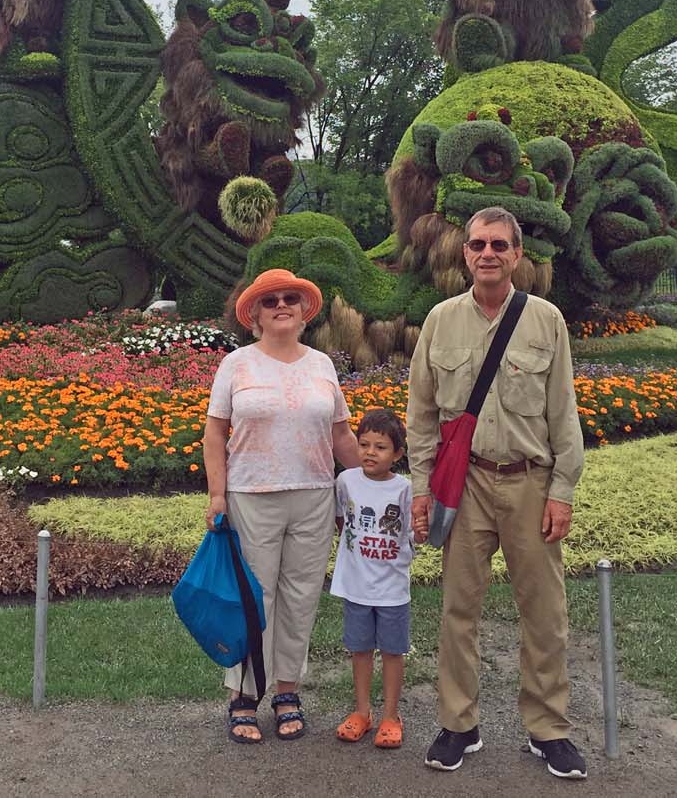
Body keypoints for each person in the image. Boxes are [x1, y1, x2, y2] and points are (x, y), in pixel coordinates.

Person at [407, 206, 588, 779]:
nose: (488, 253)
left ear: (516, 255)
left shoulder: (545, 320)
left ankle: (548, 728)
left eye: (499, 245)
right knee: (459, 610)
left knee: (544, 613)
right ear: (465, 253)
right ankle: (459, 724)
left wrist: (562, 490)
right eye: (479, 244)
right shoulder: (440, 321)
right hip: (465, 486)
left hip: (530, 482)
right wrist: (420, 489)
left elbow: (563, 411)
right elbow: (421, 415)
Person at [204, 267, 360, 745]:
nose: (281, 306)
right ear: (255, 314)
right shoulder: (237, 364)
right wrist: (217, 494)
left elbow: (340, 434)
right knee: (256, 599)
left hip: (314, 496)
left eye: (290, 298)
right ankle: (244, 695)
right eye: (270, 301)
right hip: (252, 496)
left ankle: (287, 691)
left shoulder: (321, 365)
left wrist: (369, 484)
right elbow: (215, 433)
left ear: (303, 310)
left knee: (300, 598)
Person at [331, 408, 420, 751]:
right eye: (364, 444)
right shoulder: (346, 481)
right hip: (356, 588)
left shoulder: (405, 490)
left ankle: (391, 716)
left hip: (392, 591)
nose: (370, 452)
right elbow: (342, 519)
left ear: (398, 454)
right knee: (360, 650)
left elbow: (415, 534)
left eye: (380, 447)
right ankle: (362, 712)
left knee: (393, 652)